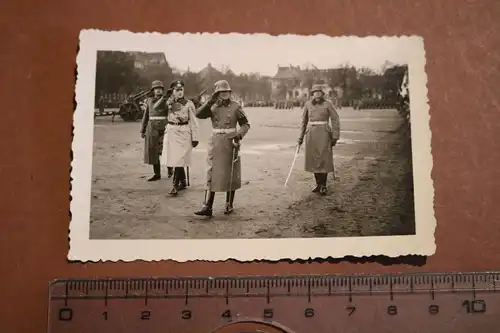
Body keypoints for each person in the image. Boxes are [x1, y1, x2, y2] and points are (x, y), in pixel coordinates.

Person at [194, 80, 250, 217]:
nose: (224, 94)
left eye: (226, 91)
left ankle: (229, 203)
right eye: (221, 92)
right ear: (217, 93)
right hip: (215, 142)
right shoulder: (212, 107)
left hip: (231, 141)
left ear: (230, 92)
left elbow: (245, 124)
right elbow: (198, 114)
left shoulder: (236, 107)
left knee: (230, 172)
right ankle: (208, 206)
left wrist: (239, 134)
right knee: (211, 173)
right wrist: (209, 102)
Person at [297, 84, 340, 195]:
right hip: (311, 135)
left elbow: (335, 119)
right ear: (312, 94)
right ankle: (318, 184)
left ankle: (324, 185)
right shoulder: (307, 104)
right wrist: (301, 137)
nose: (317, 94)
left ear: (322, 94)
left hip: (324, 134)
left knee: (323, 159)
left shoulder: (328, 104)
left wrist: (335, 136)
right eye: (315, 92)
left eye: (319, 92)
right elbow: (304, 122)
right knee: (314, 160)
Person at [162, 80, 200, 196]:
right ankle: (182, 181)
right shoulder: (168, 102)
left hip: (184, 132)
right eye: (176, 90)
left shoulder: (188, 104)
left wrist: (195, 137)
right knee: (175, 159)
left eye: (181, 90)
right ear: (172, 91)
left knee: (178, 159)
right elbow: (159, 110)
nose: (179, 92)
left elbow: (194, 122)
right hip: (171, 131)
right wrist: (167, 98)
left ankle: (174, 185)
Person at [140, 80, 173, 181]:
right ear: (153, 90)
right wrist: (142, 129)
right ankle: (157, 174)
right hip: (151, 127)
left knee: (166, 149)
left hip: (164, 126)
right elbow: (146, 115)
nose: (158, 90)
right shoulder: (149, 101)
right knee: (153, 151)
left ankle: (170, 169)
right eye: (156, 89)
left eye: (160, 89)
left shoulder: (167, 100)